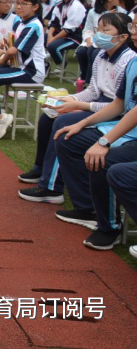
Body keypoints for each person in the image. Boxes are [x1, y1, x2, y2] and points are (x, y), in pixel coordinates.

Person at [18, 13, 134, 207]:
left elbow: (119, 105)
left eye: (106, 30)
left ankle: (52, 187)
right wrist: (67, 100)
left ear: (123, 36)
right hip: (100, 104)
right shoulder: (100, 55)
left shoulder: (128, 61)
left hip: (114, 113)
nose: (99, 35)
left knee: (63, 122)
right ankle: (41, 169)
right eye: (98, 30)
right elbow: (93, 91)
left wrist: (79, 106)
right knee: (49, 117)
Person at [54, 55, 137, 249]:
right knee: (69, 139)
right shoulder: (133, 62)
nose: (133, 37)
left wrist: (104, 141)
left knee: (104, 160)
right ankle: (87, 208)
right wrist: (81, 123)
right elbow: (119, 103)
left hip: (131, 136)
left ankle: (109, 227)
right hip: (125, 130)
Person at [0, 0, 46, 140]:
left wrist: (3, 59)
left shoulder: (33, 26)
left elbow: (13, 51)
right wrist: (5, 44)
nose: (19, 7)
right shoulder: (22, 23)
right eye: (17, 3)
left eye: (24, 4)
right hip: (19, 67)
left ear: (35, 7)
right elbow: (12, 45)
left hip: (31, 72)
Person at [45, 0, 88, 67]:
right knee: (41, 38)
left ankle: (62, 65)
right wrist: (50, 36)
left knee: (53, 46)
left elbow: (69, 29)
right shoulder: (59, 5)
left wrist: (53, 39)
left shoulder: (76, 6)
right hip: (61, 34)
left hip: (74, 37)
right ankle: (44, 62)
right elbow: (54, 22)